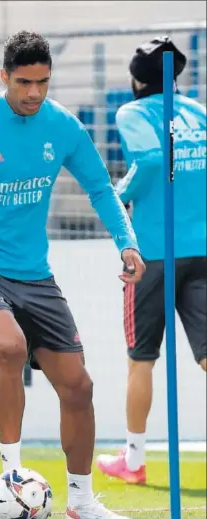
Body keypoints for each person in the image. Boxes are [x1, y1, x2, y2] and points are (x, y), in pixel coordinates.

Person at [0, 30, 145, 519]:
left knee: (79, 387)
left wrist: (126, 242)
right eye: (23, 83)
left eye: (42, 82)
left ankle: (81, 501)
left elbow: (101, 189)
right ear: (4, 77)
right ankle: (13, 477)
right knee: (11, 347)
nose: (34, 92)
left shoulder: (63, 127)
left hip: (33, 272)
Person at [96, 36, 206, 485]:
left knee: (141, 359)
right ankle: (133, 459)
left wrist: (118, 195)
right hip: (201, 249)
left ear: (136, 78)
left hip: (152, 255)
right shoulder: (199, 112)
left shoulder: (133, 112)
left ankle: (135, 461)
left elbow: (150, 159)